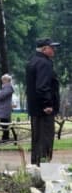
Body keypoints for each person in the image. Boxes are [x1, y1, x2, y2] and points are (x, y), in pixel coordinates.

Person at [26, 38, 60, 166]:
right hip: (44, 109)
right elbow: (42, 86)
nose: (54, 50)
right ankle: (44, 170)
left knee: (37, 139)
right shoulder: (44, 63)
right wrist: (48, 104)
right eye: (52, 47)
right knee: (45, 140)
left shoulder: (33, 61)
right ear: (45, 49)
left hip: (35, 109)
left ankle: (36, 167)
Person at [0, 74, 15, 143]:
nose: (2, 81)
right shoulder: (6, 87)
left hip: (4, 109)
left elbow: (1, 96)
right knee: (4, 124)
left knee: (5, 124)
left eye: (3, 80)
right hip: (4, 109)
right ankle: (5, 138)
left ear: (6, 80)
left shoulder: (8, 87)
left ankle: (5, 138)